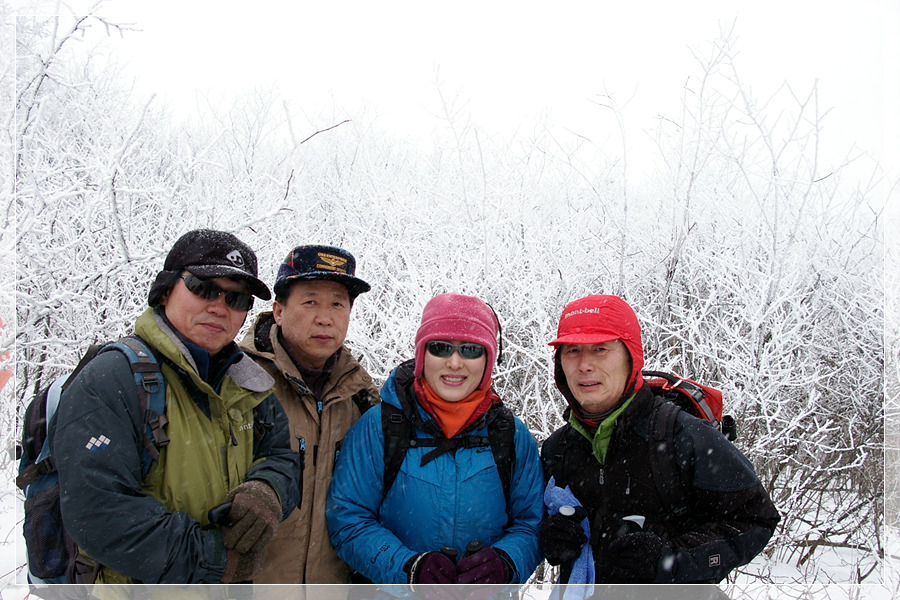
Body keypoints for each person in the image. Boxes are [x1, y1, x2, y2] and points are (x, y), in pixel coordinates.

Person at [50, 229, 301, 584]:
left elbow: (283, 458)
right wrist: (213, 559)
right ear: (166, 289)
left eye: (237, 299)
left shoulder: (249, 384)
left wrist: (269, 489)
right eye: (202, 288)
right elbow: (96, 510)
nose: (219, 306)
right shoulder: (114, 378)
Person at [539, 294, 780, 584]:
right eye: (572, 350)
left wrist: (672, 560)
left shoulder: (685, 437)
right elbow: (533, 521)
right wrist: (553, 534)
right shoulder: (558, 449)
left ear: (631, 356)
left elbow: (754, 520)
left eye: (601, 349)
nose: (584, 365)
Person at [326, 293, 543, 585]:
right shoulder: (379, 428)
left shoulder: (511, 436)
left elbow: (531, 524)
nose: (455, 363)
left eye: (470, 349)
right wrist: (408, 569)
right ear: (422, 355)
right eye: (440, 348)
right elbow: (348, 519)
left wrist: (505, 562)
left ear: (488, 360)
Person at [239, 244, 380, 583]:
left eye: (337, 304)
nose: (325, 317)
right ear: (278, 311)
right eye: (310, 301)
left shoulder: (362, 399)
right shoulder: (239, 383)